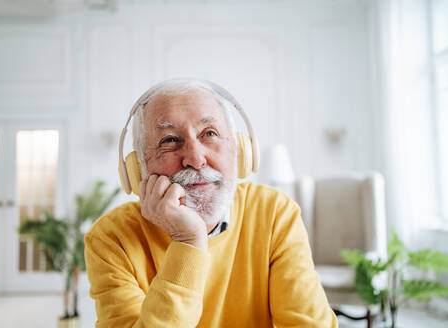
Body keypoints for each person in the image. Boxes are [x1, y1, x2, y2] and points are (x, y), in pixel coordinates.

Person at [84, 78, 338, 327]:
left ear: (239, 151)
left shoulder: (274, 213)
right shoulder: (110, 237)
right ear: (139, 168)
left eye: (209, 133)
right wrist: (189, 241)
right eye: (170, 140)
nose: (195, 159)